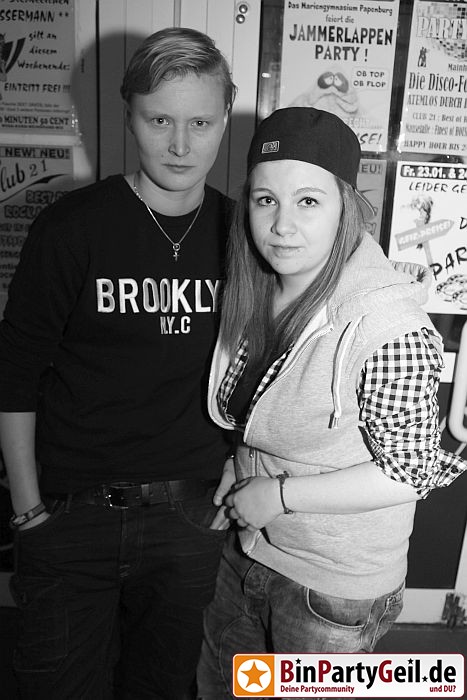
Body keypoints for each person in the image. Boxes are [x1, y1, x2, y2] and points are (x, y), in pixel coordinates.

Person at [197, 107, 467, 698]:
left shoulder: (387, 325)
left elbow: (408, 473)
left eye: (308, 202)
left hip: (332, 588)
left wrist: (277, 495)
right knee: (222, 687)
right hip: (252, 547)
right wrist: (242, 466)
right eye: (265, 200)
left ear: (346, 206)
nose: (281, 225)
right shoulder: (259, 286)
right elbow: (268, 409)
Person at [0, 27, 236, 700]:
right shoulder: (71, 227)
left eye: (200, 122)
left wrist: (233, 483)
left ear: (225, 118)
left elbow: (262, 372)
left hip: (191, 520)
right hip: (71, 515)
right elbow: (15, 370)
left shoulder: (242, 236)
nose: (180, 145)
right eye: (160, 120)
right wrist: (27, 512)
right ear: (129, 114)